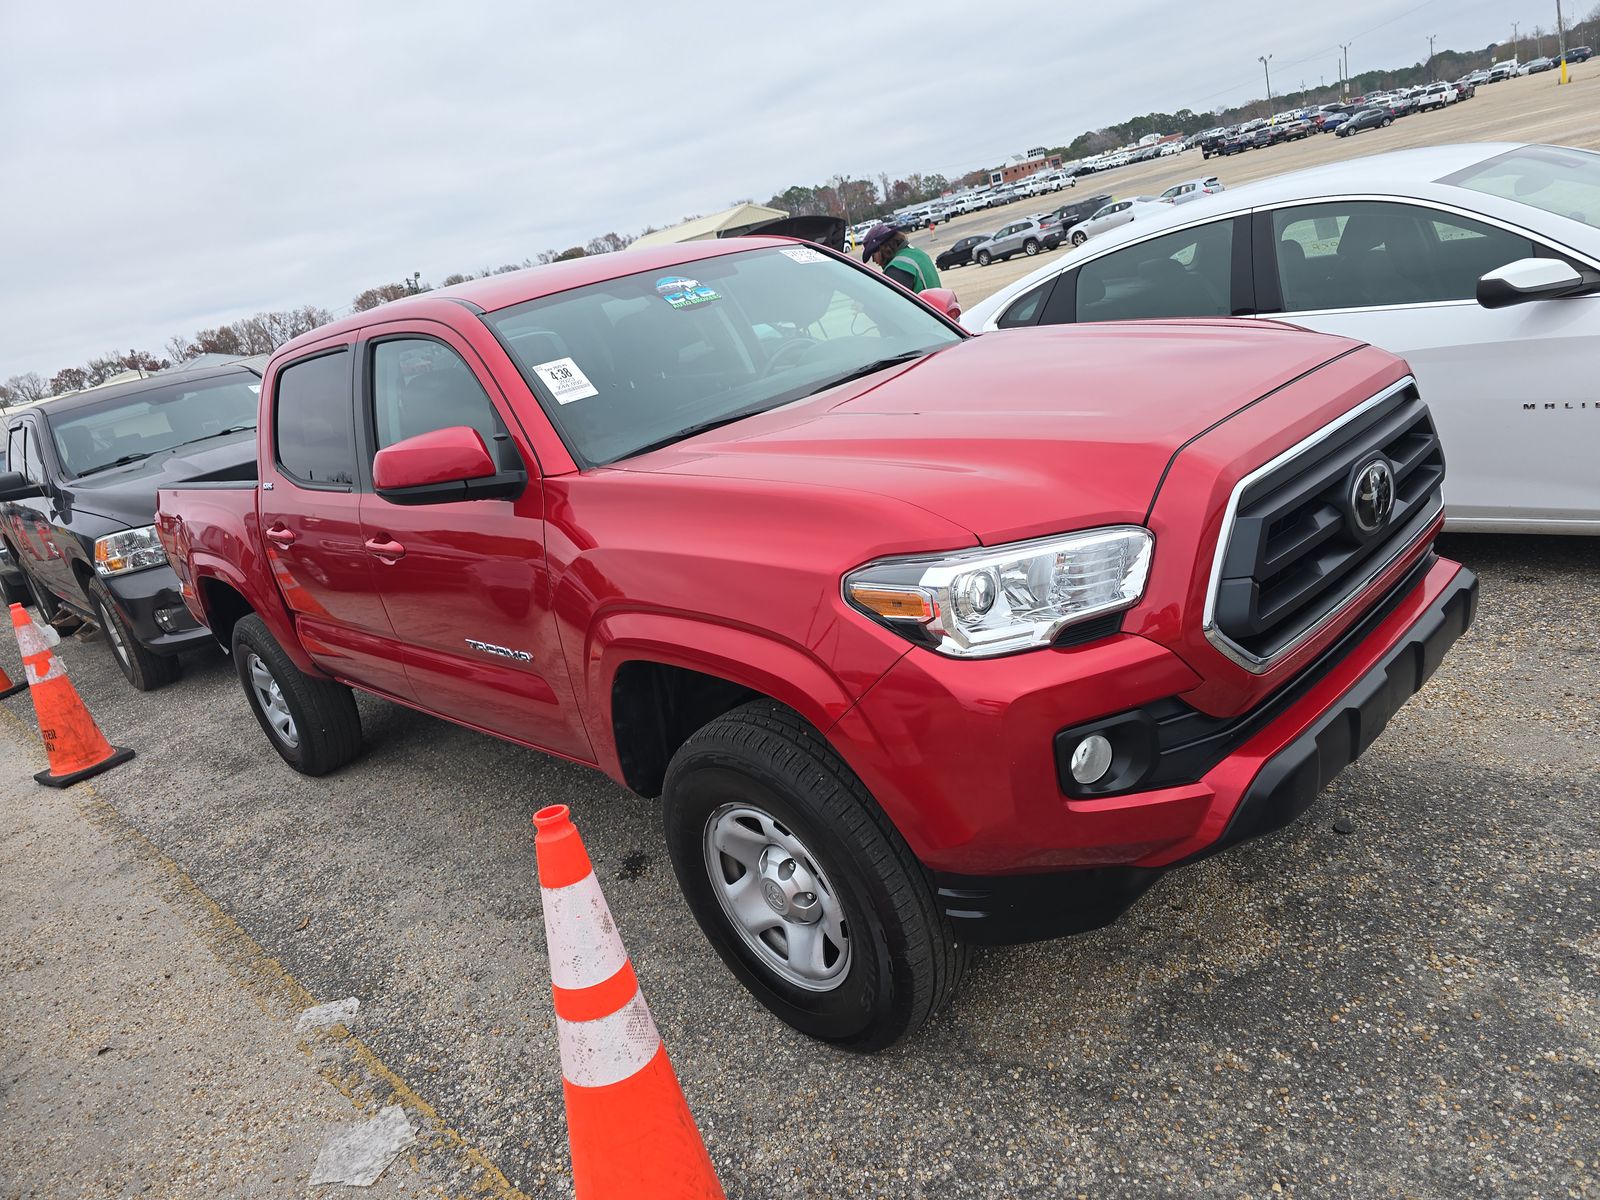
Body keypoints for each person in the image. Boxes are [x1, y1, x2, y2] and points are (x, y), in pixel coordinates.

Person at [860, 223, 941, 291]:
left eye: (873, 255)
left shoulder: (898, 268)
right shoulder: (917, 254)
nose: (874, 261)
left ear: (882, 248)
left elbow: (889, 304)